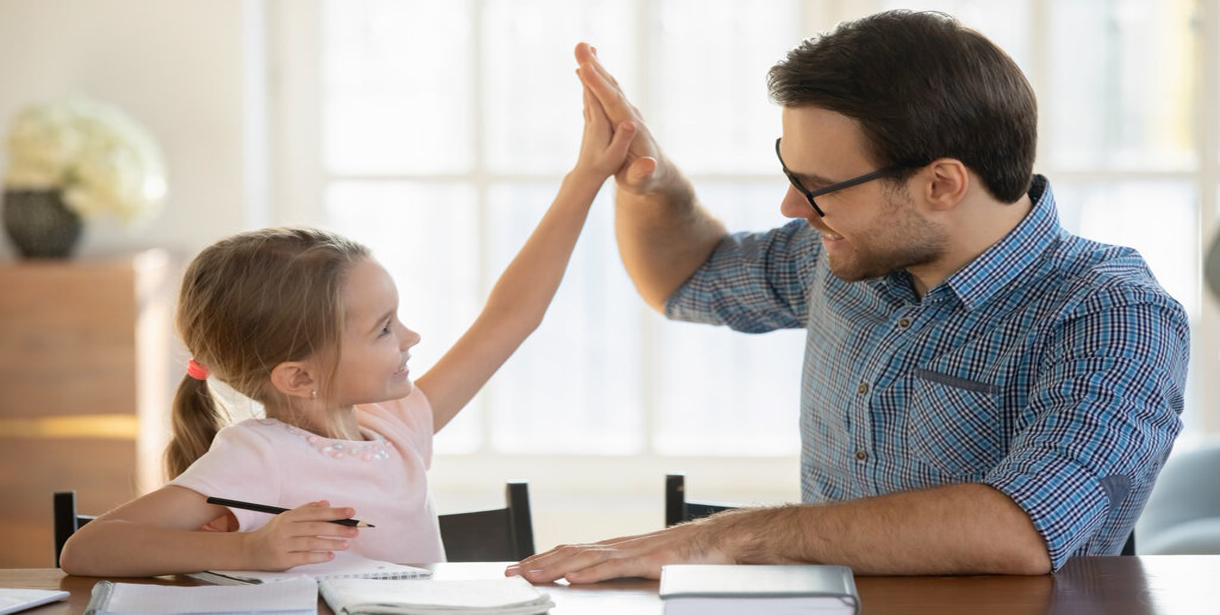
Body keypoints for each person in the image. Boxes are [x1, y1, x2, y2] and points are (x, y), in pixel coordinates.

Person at [507, 10, 1190, 582]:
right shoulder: (843, 252)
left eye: (820, 186)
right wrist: (647, 180)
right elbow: (686, 277)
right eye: (790, 172)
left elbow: (1021, 526)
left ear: (941, 185)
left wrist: (721, 538)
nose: (791, 204)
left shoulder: (1111, 314)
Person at [58, 89, 638, 577]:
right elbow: (85, 550)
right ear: (298, 376)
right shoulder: (257, 455)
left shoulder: (399, 423)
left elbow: (511, 317)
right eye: (384, 329)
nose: (410, 337)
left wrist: (585, 179)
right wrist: (245, 548)